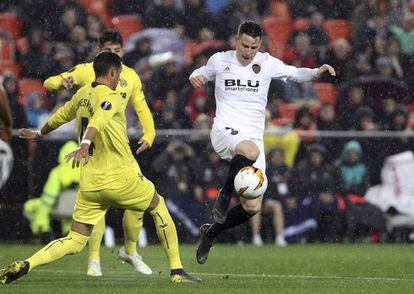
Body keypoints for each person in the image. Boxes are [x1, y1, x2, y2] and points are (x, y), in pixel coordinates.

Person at [0, 52, 201, 284]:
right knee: (158, 206)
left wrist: (38, 132)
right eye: (119, 74)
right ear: (113, 72)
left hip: (90, 184)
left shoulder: (82, 94)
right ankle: (177, 271)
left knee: (75, 240)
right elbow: (99, 120)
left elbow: (61, 116)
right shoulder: (112, 96)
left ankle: (27, 264)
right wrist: (85, 143)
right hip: (120, 178)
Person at [189, 20, 335, 264]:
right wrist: (195, 76)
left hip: (253, 138)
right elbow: (200, 73)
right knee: (251, 149)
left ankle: (211, 232)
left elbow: (294, 73)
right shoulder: (220, 60)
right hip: (226, 131)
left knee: (253, 207)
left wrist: (317, 72)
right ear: (237, 40)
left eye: (253, 47)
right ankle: (226, 193)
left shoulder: (266, 63)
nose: (248, 52)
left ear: (259, 45)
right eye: (244, 46)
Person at [43, 29, 155, 276]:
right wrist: (59, 82)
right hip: (94, 149)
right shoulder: (87, 70)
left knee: (138, 203)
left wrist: (149, 134)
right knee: (98, 206)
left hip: (120, 149)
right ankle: (94, 259)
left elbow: (142, 108)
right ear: (99, 51)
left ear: (123, 51)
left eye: (117, 50)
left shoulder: (132, 77)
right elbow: (48, 83)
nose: (113, 54)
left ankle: (130, 250)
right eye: (108, 50)